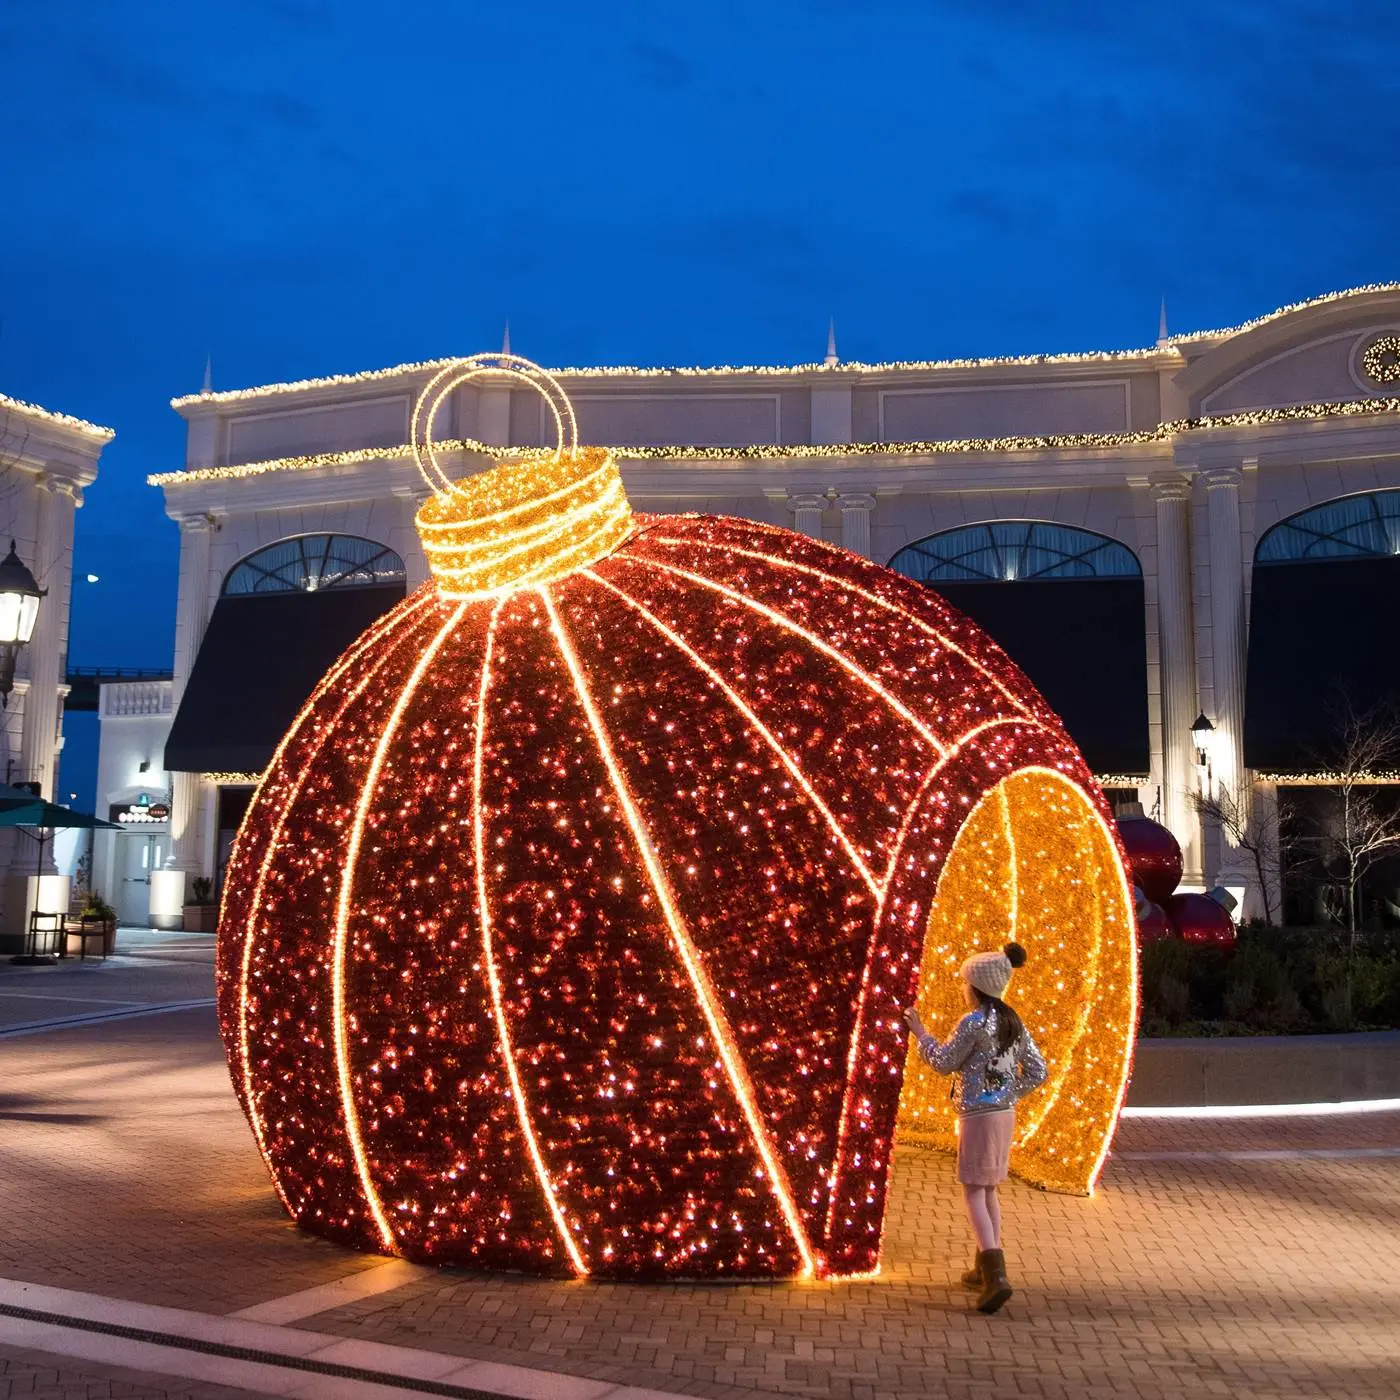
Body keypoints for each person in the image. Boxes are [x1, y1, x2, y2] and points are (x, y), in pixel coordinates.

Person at [902, 941, 1046, 1314]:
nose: (963, 989)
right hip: (1004, 1115)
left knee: (973, 1193)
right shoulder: (1014, 1022)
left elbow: (944, 1061)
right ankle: (985, 1267)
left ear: (977, 987)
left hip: (977, 1117)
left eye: (965, 983)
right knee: (990, 1191)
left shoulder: (974, 1022)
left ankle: (996, 1277)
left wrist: (920, 1033)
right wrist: (1006, 1091)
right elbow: (1039, 1071)